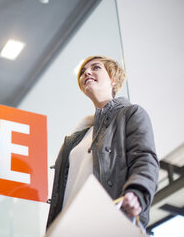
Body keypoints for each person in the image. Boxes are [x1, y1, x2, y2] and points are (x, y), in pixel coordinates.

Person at [46, 55, 159, 229]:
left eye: (96, 67)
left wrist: (138, 192)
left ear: (113, 79)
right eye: (83, 72)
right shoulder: (76, 138)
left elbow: (144, 158)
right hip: (70, 227)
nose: (87, 72)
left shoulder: (131, 114)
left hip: (108, 223)